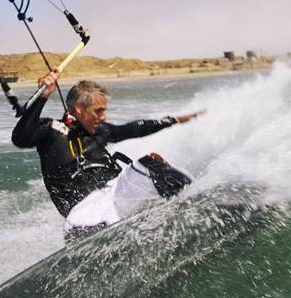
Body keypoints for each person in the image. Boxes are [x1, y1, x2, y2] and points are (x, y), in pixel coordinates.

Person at [11, 68, 203, 219]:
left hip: (115, 197)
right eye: (98, 111)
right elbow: (20, 138)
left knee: (153, 163)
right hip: (81, 214)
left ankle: (199, 204)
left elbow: (134, 128)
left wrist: (172, 120)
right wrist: (43, 96)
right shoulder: (50, 130)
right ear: (79, 108)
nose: (103, 117)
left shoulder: (102, 131)